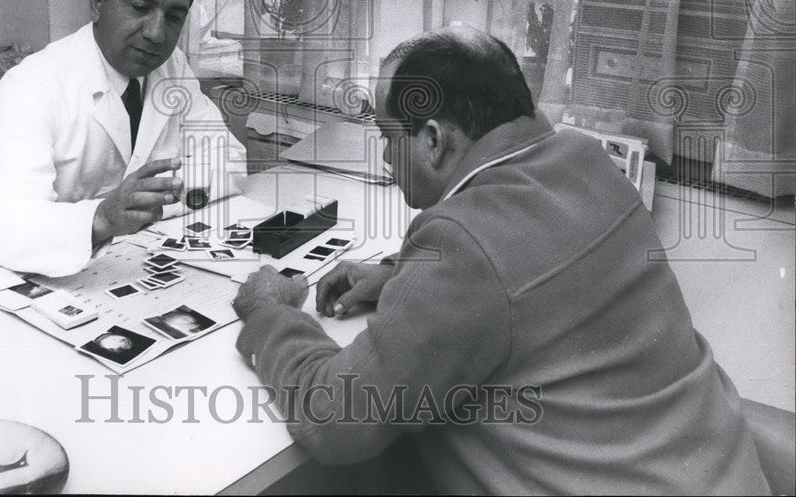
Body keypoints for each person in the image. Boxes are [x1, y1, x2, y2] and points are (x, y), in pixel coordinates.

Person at [232, 28, 769, 494]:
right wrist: (401, 275)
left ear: (433, 140)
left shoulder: (461, 242)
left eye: (388, 137)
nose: (387, 157)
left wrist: (270, 314)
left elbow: (334, 421)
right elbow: (533, 267)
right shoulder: (585, 160)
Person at [0, 0, 246, 277]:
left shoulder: (172, 66)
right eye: (140, 8)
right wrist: (103, 216)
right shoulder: (29, 85)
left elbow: (230, 161)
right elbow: (10, 224)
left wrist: (145, 206)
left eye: (174, 17)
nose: (156, 33)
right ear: (98, 4)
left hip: (110, 256)